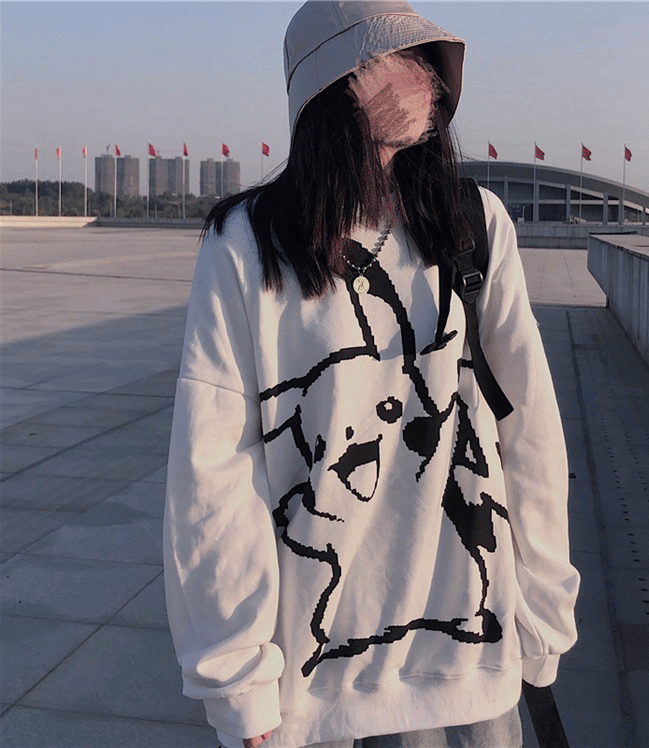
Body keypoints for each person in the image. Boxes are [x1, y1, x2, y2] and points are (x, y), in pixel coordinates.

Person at [163, 2, 580, 747]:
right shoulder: (246, 245)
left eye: (427, 58)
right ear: (334, 83)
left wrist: (544, 616)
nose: (427, 77)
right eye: (400, 57)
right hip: (315, 684)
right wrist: (237, 675)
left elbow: (529, 430)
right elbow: (214, 474)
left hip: (472, 660)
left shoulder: (473, 223)